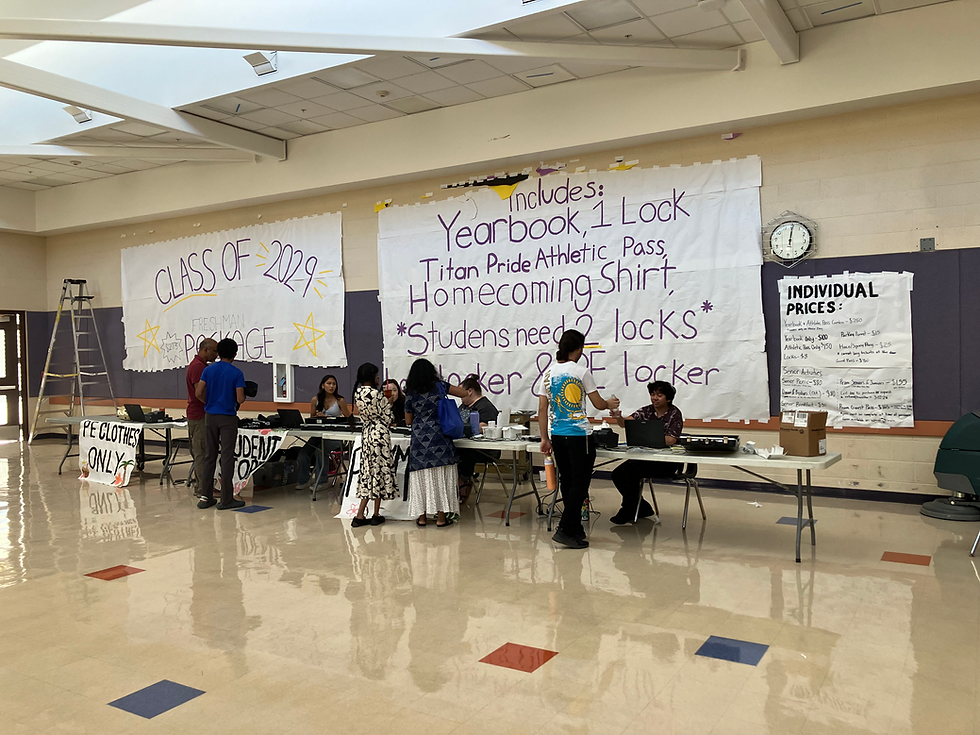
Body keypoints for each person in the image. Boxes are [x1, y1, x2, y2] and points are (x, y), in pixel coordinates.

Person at [538, 329, 619, 549]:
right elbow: (598, 404)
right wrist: (610, 403)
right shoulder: (581, 372)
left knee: (567, 480)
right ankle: (565, 528)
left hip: (557, 434)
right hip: (579, 435)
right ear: (580, 348)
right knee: (580, 483)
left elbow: (542, 409)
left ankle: (574, 528)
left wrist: (544, 438)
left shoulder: (548, 373)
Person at [404, 358, 468, 527]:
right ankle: (441, 518)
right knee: (441, 476)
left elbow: (408, 420)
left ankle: (422, 517)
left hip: (419, 440)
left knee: (421, 478)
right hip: (440, 437)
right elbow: (464, 394)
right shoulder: (439, 386)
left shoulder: (410, 392)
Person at [609, 381, 683, 525]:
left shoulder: (674, 413)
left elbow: (671, 440)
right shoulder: (646, 411)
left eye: (659, 395)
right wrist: (618, 416)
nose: (654, 398)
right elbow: (626, 424)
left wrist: (646, 438)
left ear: (668, 399)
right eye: (652, 394)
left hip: (667, 461)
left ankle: (628, 509)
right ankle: (642, 507)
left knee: (632, 472)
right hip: (644, 458)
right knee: (617, 474)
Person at [196, 338, 246, 510]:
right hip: (227, 417)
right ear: (234, 354)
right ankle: (226, 499)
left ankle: (205, 497)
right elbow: (240, 398)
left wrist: (208, 402)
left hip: (210, 415)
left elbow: (198, 392)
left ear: (218, 353)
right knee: (226, 457)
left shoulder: (208, 370)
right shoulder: (236, 373)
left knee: (210, 455)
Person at [351, 363, 398, 527]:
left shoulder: (358, 393)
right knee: (379, 471)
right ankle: (375, 513)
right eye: (377, 375)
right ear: (372, 376)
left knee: (368, 472)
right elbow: (388, 418)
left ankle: (360, 514)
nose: (379, 378)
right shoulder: (377, 395)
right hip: (380, 434)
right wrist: (389, 403)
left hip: (367, 434)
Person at [297, 374, 350, 489]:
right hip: (318, 435)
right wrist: (318, 417)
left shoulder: (340, 400)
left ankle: (322, 481)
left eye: (334, 384)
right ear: (322, 385)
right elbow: (311, 419)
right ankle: (303, 480)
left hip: (335, 436)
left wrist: (327, 418)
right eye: (329, 383)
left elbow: (348, 418)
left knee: (320, 450)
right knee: (304, 453)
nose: (331, 386)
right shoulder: (315, 400)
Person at [456, 374, 499, 503]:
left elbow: (482, 428)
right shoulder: (463, 406)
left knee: (463, 454)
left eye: (461, 393)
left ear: (470, 391)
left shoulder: (486, 407)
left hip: (482, 449)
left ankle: (463, 481)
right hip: (462, 443)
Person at [185, 338, 217, 498]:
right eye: (214, 351)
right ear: (205, 350)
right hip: (199, 415)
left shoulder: (202, 366)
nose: (216, 355)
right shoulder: (198, 367)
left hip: (200, 414)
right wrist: (213, 405)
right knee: (203, 453)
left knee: (205, 452)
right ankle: (203, 489)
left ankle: (205, 487)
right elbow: (199, 393)